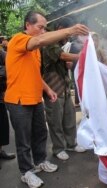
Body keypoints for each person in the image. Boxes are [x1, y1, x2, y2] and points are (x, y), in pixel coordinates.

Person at [4, 11, 88, 188]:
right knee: (24, 139)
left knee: (40, 133)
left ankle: (40, 161)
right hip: (18, 101)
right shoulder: (19, 39)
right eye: (40, 27)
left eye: (45, 27)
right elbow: (40, 40)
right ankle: (26, 171)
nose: (43, 31)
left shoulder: (35, 51)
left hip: (34, 99)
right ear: (27, 25)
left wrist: (48, 89)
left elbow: (35, 73)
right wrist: (69, 30)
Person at [42, 17, 87, 161]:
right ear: (60, 28)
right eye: (67, 32)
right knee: (55, 118)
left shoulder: (59, 42)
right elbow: (62, 55)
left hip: (64, 83)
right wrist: (82, 57)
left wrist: (66, 64)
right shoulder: (49, 42)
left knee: (69, 114)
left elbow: (61, 60)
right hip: (52, 85)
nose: (68, 36)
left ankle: (71, 143)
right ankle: (58, 148)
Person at [0, 48, 15, 170]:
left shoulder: (1, 53)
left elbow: (10, 59)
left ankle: (0, 151)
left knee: (2, 126)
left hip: (0, 97)